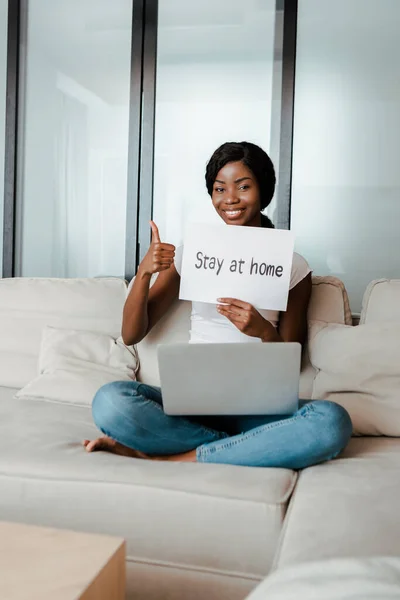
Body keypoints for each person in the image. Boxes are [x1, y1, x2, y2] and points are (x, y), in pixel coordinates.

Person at [83, 141, 352, 468]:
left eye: (243, 187)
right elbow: (131, 334)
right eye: (219, 189)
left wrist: (262, 330)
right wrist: (144, 273)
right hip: (193, 406)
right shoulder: (193, 252)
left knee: (330, 421)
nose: (230, 199)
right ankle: (248, 451)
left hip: (259, 410)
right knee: (110, 402)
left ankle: (178, 457)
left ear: (263, 191)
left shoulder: (293, 265)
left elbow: (291, 361)